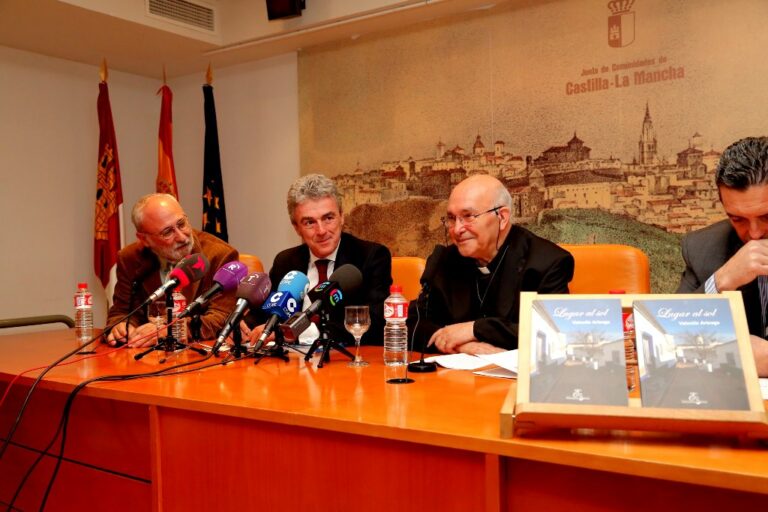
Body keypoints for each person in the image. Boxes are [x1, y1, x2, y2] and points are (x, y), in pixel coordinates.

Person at [412, 174, 574, 355]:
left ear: (502, 217)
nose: (457, 229)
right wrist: (463, 346)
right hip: (455, 371)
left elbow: (554, 331)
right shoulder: (445, 260)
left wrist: (475, 329)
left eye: (468, 216)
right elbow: (412, 322)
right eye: (451, 218)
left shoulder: (547, 262)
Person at [244, 174, 392, 347]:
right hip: (291, 360)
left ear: (342, 217)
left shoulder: (370, 256)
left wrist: (294, 333)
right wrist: (243, 327)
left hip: (344, 358)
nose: (321, 231)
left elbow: (374, 322)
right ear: (296, 228)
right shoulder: (285, 261)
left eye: (328, 218)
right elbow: (266, 314)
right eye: (309, 222)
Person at [677, 136, 768, 376]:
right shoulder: (703, 248)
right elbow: (671, 334)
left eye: (766, 216)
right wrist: (720, 281)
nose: (754, 233)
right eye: (738, 219)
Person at [106, 193, 239, 347]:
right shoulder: (130, 259)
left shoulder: (220, 255)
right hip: (144, 353)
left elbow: (222, 317)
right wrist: (122, 327)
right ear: (144, 239)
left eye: (182, 224)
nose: (182, 237)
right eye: (167, 232)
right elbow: (121, 312)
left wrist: (169, 330)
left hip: (195, 353)